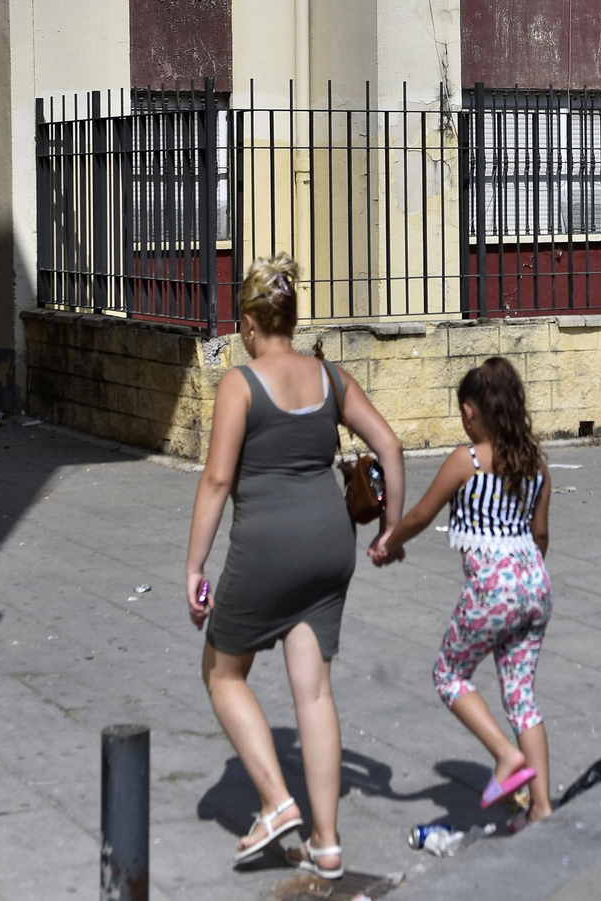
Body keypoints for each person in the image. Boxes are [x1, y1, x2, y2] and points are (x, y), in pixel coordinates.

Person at [184, 254, 404, 879]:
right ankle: (328, 846)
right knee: (313, 691)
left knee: (223, 673)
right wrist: (390, 527)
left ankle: (278, 804)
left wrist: (194, 567)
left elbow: (218, 478)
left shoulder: (241, 384)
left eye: (240, 323)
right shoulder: (331, 377)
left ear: (252, 321)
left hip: (268, 547)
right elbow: (389, 445)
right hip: (331, 546)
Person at [370, 356, 555, 823]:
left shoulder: (467, 460)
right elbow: (542, 534)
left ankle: (505, 756)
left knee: (449, 675)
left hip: (495, 587)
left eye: (462, 412)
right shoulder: (536, 464)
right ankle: (542, 806)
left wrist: (388, 542)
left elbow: (419, 515)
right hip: (535, 582)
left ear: (472, 412)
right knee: (521, 695)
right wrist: (524, 583)